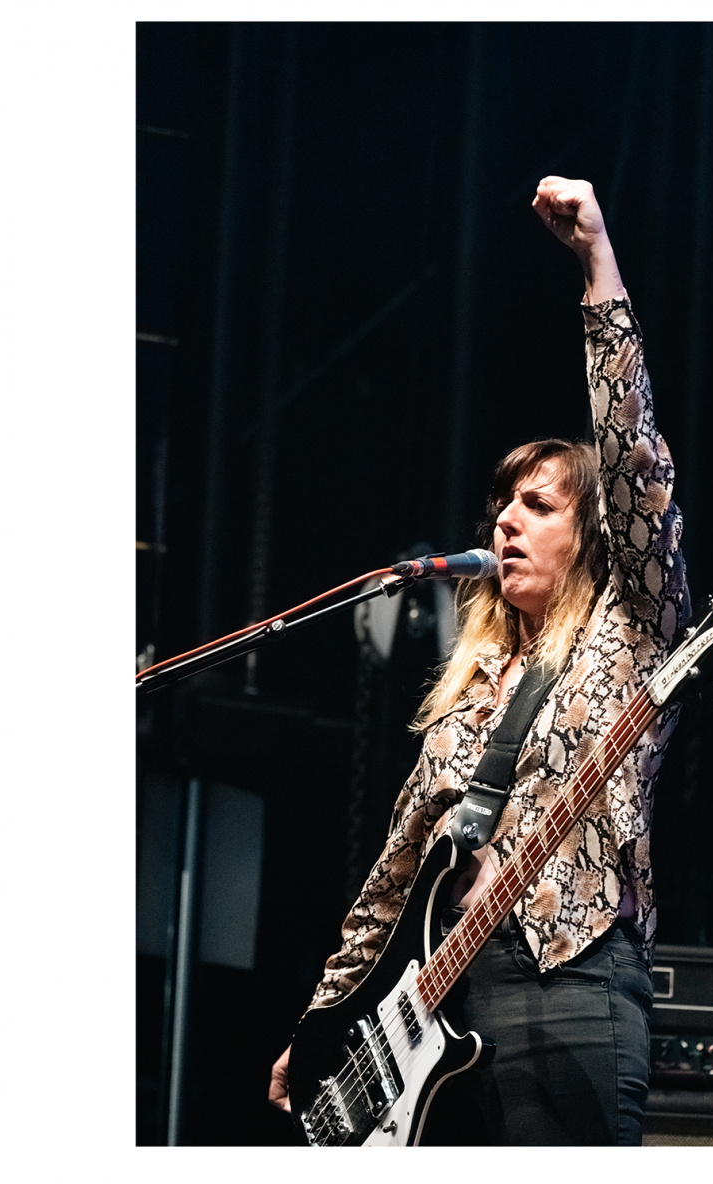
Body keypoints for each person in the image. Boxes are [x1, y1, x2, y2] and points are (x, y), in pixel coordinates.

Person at [269, 175, 690, 1145]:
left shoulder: (628, 633)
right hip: (439, 1018)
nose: (506, 521)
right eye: (502, 506)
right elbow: (392, 883)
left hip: (573, 980)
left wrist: (597, 266)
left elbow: (635, 465)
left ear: (592, 537)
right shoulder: (467, 697)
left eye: (537, 506)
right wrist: (323, 1025)